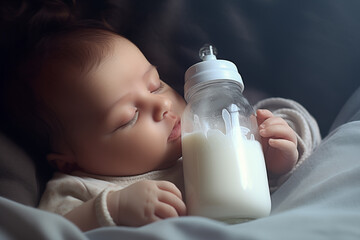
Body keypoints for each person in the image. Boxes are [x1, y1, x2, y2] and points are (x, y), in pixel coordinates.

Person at [2, 2, 320, 232]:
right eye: (128, 118)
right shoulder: (81, 188)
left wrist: (279, 152)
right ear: (69, 162)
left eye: (156, 85)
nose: (162, 106)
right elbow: (45, 230)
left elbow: (292, 127)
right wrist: (112, 209)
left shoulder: (215, 132)